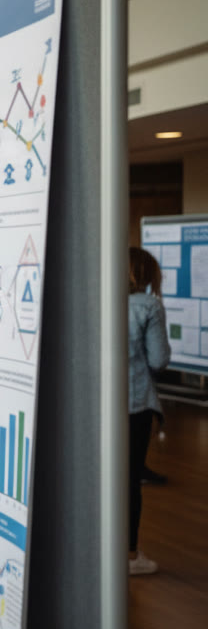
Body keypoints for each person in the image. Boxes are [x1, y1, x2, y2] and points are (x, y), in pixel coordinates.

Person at [128, 246, 170, 576]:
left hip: (94, 405)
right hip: (134, 403)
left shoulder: (95, 299)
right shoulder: (148, 305)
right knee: (130, 479)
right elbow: (158, 359)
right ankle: (129, 555)